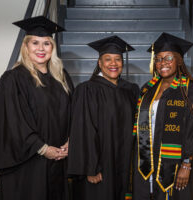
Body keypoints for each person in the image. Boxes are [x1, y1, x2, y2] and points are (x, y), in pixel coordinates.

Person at [0, 16, 74, 200]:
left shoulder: (62, 77)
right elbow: (13, 121)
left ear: (53, 47)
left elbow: (73, 113)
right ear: (26, 46)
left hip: (58, 162)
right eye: (35, 43)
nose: (41, 49)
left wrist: (69, 140)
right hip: (27, 163)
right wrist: (43, 149)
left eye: (46, 43)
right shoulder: (13, 79)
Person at [131, 32, 193, 200]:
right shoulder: (147, 89)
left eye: (168, 58)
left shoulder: (191, 89)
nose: (162, 63)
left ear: (179, 60)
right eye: (158, 59)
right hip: (147, 160)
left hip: (175, 163)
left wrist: (186, 165)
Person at [67, 35, 140, 200]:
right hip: (99, 166)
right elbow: (83, 130)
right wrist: (90, 167)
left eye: (118, 59)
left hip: (124, 163)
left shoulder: (130, 90)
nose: (113, 64)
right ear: (99, 63)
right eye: (108, 59)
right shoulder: (87, 90)